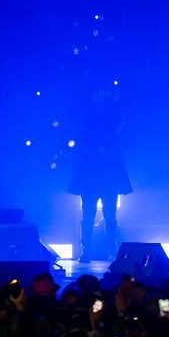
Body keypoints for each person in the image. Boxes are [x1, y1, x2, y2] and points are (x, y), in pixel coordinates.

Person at [68, 87, 133, 263]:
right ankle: (93, 251)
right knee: (95, 216)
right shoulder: (89, 121)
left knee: (102, 216)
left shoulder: (108, 123)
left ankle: (103, 251)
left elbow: (119, 121)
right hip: (95, 178)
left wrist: (117, 104)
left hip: (103, 178)